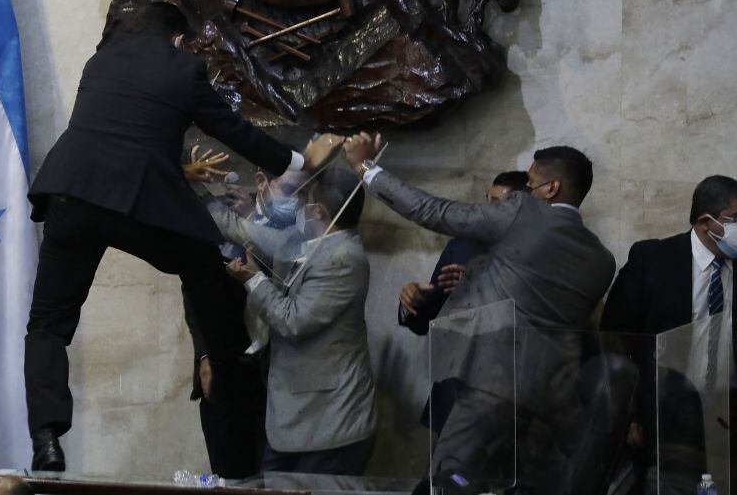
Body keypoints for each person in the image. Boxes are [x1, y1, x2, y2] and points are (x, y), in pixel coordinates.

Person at [24, 1, 341, 470]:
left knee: (47, 324)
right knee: (208, 274)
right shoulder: (183, 67)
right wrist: (299, 163)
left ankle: (46, 437)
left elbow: (122, 130)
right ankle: (228, 391)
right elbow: (234, 131)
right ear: (177, 40)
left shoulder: (99, 60)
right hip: (138, 203)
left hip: (71, 197)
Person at [342, 133, 616, 494]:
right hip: (548, 400)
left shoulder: (524, 211)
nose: (524, 193)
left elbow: (433, 211)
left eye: (530, 185)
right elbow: (531, 295)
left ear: (551, 188)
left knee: (448, 478)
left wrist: (367, 168)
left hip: (492, 386)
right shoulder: (602, 260)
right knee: (502, 484)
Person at [601, 175, 737, 495]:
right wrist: (627, 414)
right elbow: (614, 338)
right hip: (666, 408)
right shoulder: (651, 260)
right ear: (705, 221)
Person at [215, 166, 378, 475]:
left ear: (317, 210)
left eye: (305, 197)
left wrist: (254, 281)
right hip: (294, 424)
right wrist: (191, 187)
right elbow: (239, 228)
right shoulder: (302, 241)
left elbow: (294, 320)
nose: (298, 205)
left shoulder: (344, 258)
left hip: (331, 427)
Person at [179, 155, 309, 480]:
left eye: (300, 192)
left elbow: (288, 292)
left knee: (272, 476)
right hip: (223, 367)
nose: (294, 199)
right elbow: (194, 295)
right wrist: (204, 355)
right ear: (263, 182)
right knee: (231, 474)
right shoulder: (204, 232)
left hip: (273, 377)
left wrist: (254, 220)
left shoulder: (294, 233)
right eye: (288, 188)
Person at [398, 171, 530, 336]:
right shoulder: (460, 248)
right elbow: (427, 321)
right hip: (464, 356)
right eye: (487, 199)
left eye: (496, 204)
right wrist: (414, 302)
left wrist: (478, 290)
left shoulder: (539, 252)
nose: (487, 210)